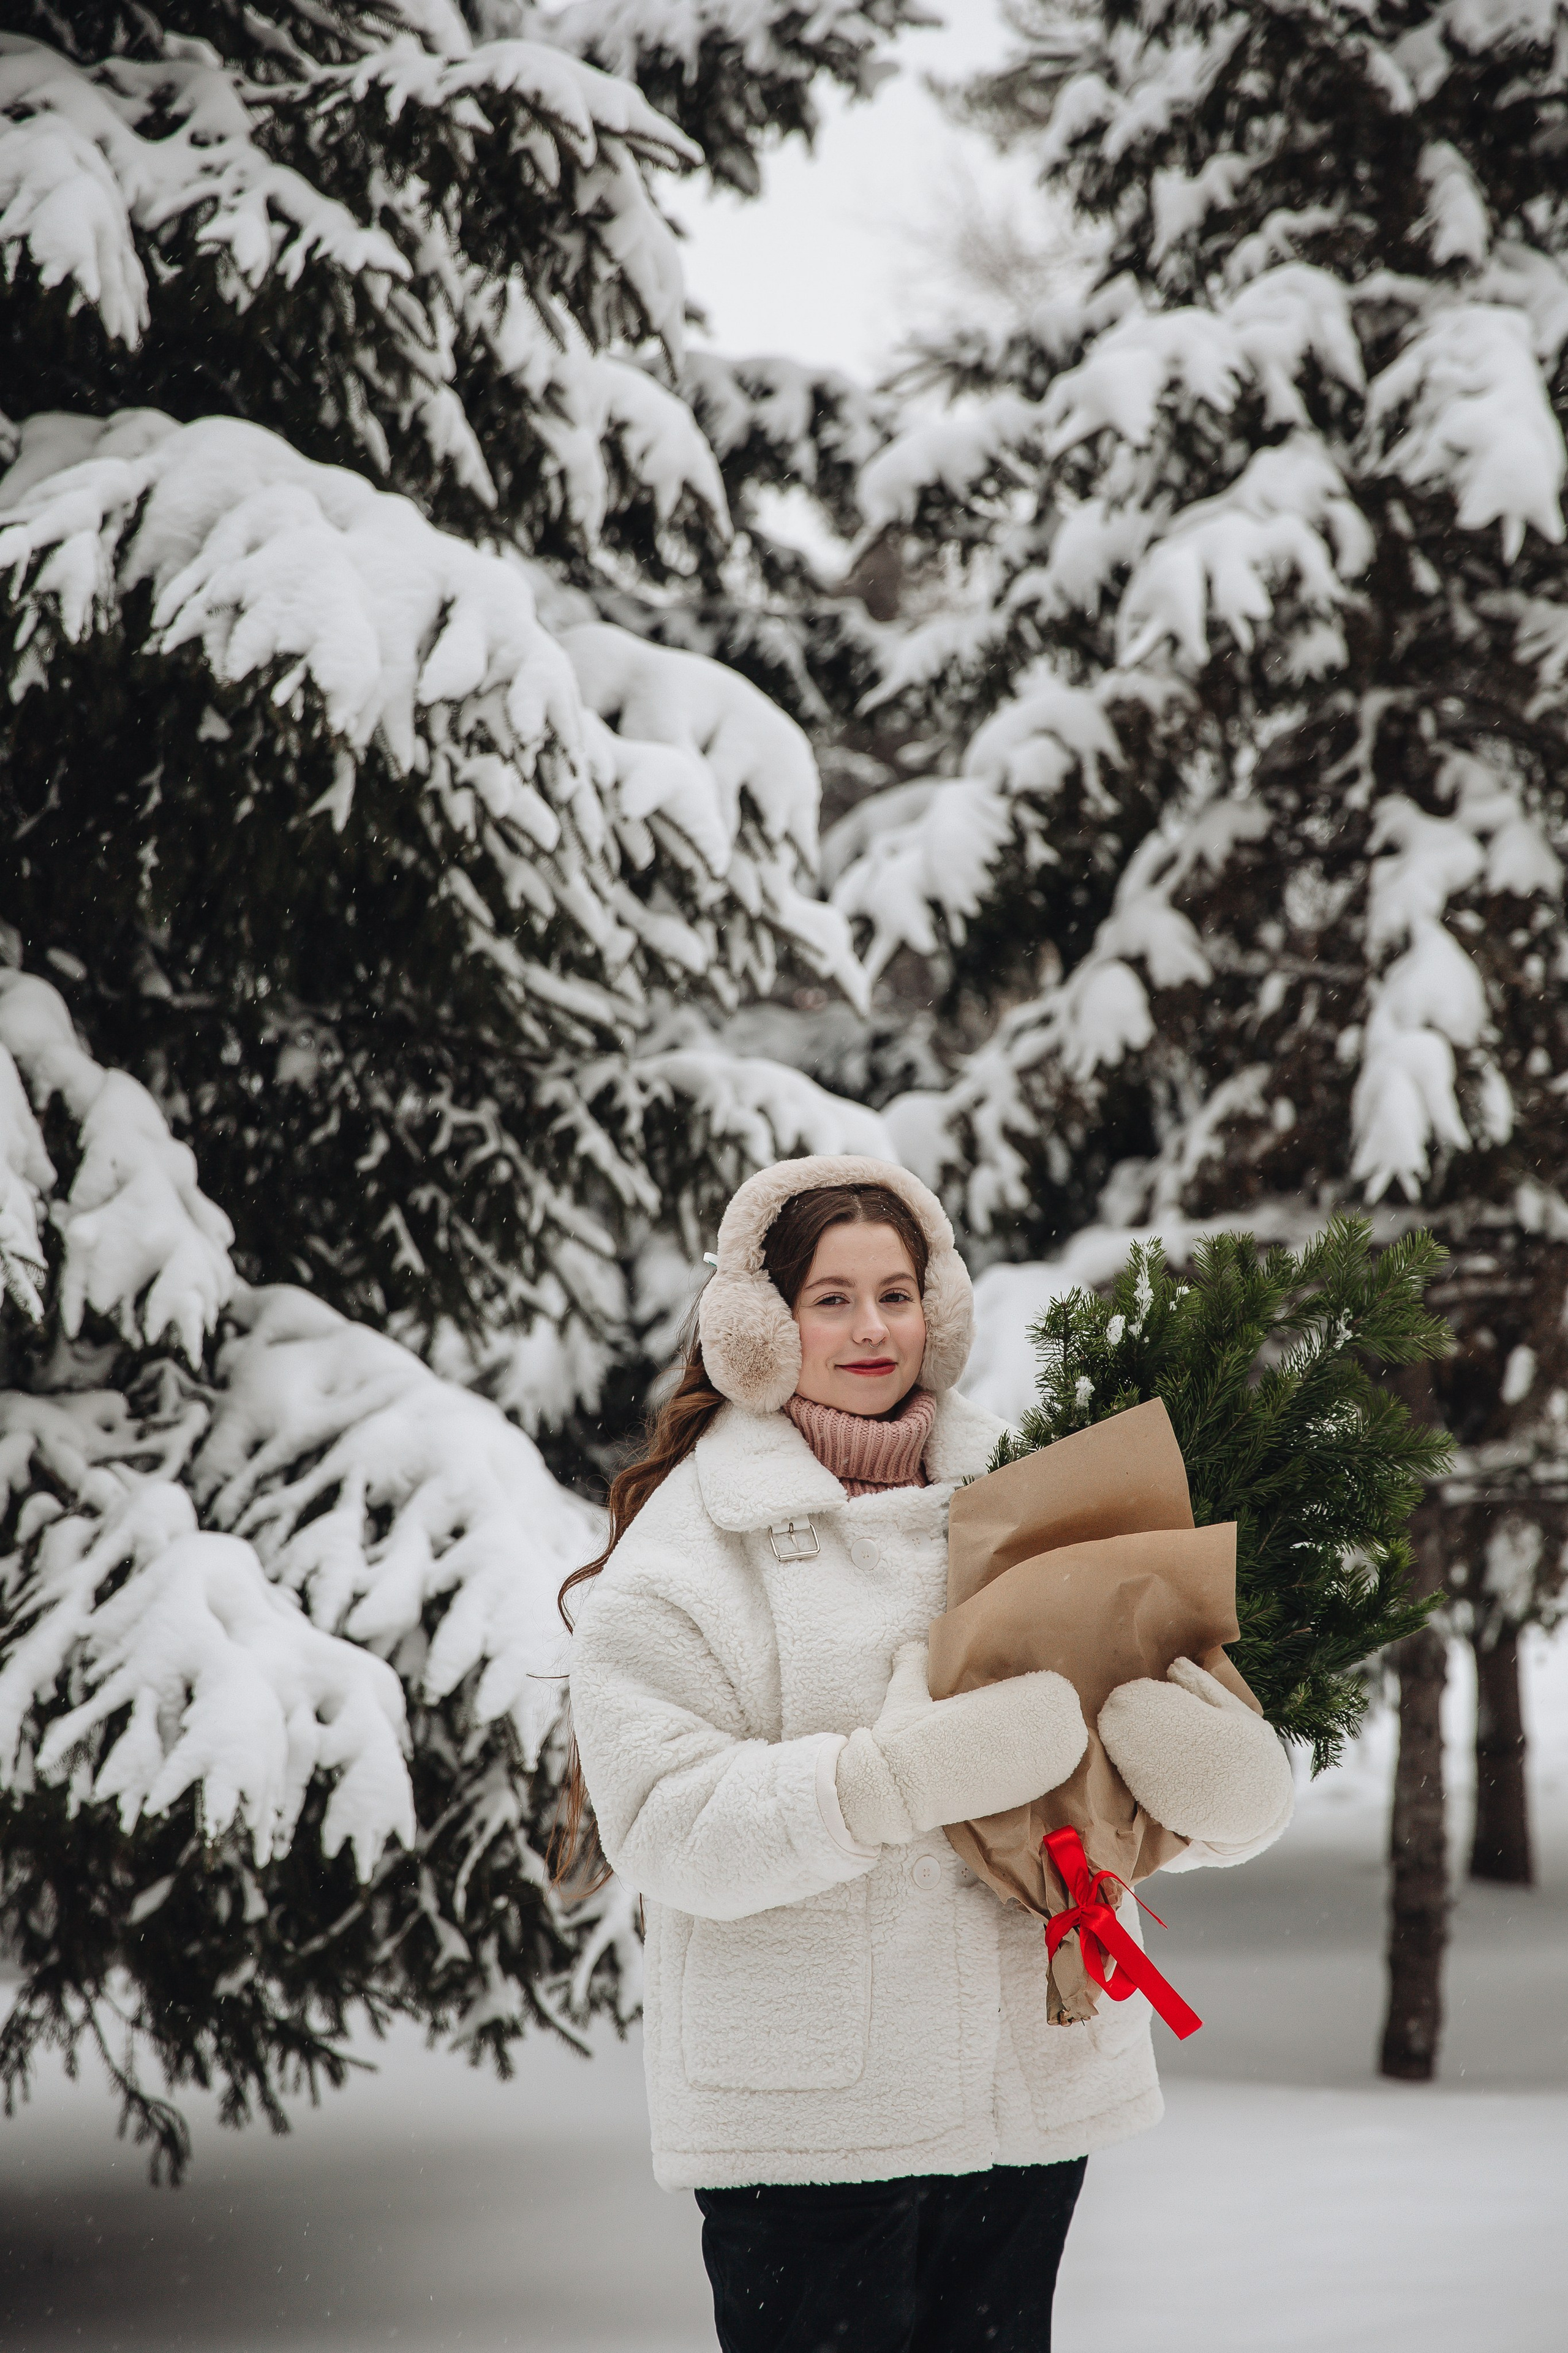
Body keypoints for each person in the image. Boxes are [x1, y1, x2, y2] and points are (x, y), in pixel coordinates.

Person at [560, 1155, 1294, 2353]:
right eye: (829, 1298)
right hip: (813, 2130)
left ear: (936, 1310)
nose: (869, 1328)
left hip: (1024, 2096)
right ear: (760, 1323)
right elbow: (664, 1826)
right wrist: (884, 1781)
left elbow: (1102, 1786)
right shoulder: (685, 1557)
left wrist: (1219, 1792)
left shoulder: (1034, 1505)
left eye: (895, 1293)